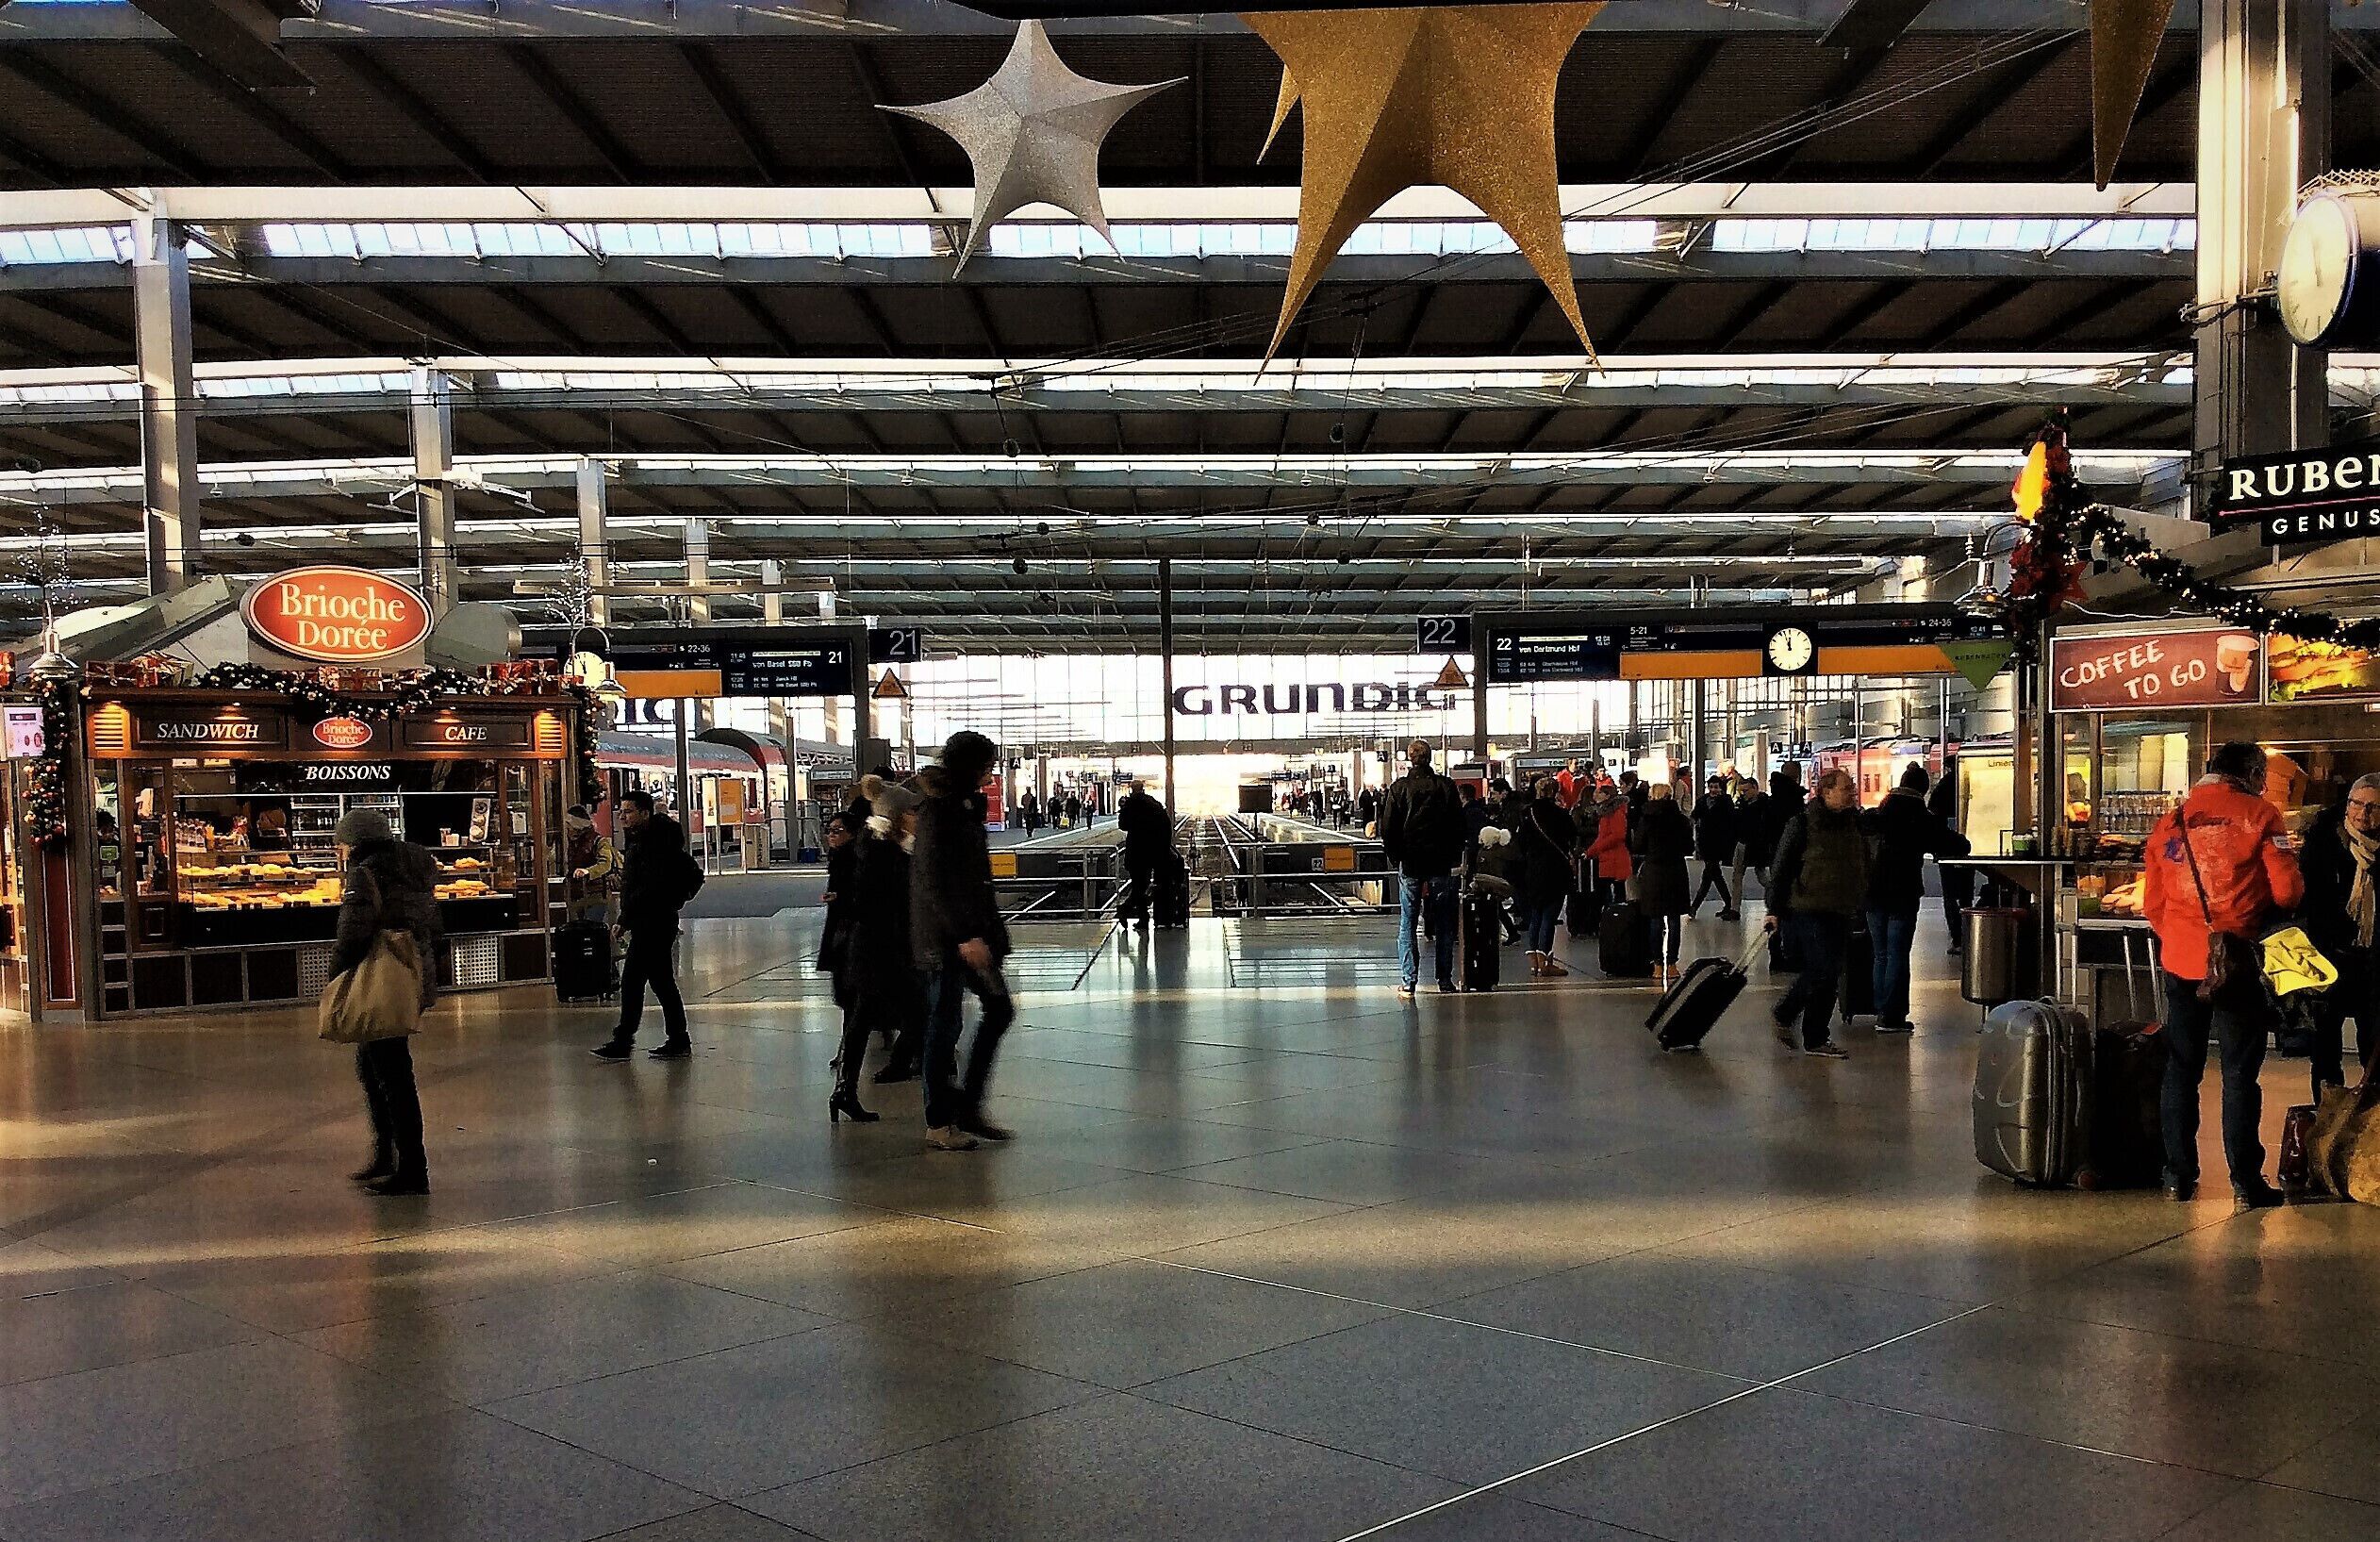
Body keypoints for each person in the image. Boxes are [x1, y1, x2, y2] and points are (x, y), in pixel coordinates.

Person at [2142, 741, 2304, 1209]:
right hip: (2237, 962)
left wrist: (2181, 937)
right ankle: (2245, 1183)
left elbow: (2154, 902)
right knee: (2239, 1074)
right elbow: (2288, 891)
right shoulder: (2261, 816)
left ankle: (2177, 1176)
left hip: (2181, 961)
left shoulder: (2171, 821)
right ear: (2253, 773)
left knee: (2181, 1069)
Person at [328, 807, 441, 1196]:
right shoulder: (414, 867)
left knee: (391, 1074)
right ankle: (387, 1155)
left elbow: (353, 933)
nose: (340, 851)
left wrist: (336, 978)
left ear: (356, 842)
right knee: (380, 1067)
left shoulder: (365, 873)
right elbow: (433, 924)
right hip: (409, 973)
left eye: (343, 843)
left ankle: (410, 1166)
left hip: (379, 978)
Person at [912, 731, 1016, 1150]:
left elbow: (973, 878)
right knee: (945, 1023)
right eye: (987, 765)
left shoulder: (963, 806)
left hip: (966, 933)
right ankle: (941, 1121)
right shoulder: (940, 810)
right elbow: (934, 882)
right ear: (971, 766)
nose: (990, 773)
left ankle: (967, 1108)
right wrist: (965, 936)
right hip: (948, 939)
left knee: (995, 1011)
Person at [832, 782, 929, 1120]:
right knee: (919, 1016)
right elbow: (877, 902)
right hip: (881, 950)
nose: (917, 817)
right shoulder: (882, 852)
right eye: (912, 811)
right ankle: (941, 1098)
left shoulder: (882, 847)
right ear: (897, 817)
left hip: (876, 950)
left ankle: (844, 1090)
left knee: (863, 1019)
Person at [1764, 768, 1865, 1059]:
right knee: (1821, 967)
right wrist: (1774, 909)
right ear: (1826, 792)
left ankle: (1816, 1038)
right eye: (1846, 788)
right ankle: (1785, 1013)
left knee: (1831, 974)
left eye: (1852, 787)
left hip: (1841, 908)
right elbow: (1781, 869)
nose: (1852, 792)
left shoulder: (1853, 823)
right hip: (1806, 908)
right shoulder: (1802, 824)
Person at [591, 788, 698, 1061]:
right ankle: (675, 1038)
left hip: (654, 921)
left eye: (628, 811)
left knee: (636, 981)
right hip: (651, 920)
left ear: (644, 813)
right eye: (621, 811)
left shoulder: (655, 845)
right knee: (659, 982)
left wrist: (625, 919)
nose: (622, 816)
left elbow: (646, 887)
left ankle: (626, 1040)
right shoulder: (643, 840)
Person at [1863, 764, 1966, 1034]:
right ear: (1923, 789)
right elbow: (1956, 845)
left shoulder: (1878, 813)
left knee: (1881, 954)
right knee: (1897, 952)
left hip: (1872, 892)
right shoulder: (1920, 818)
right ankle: (1891, 1016)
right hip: (1903, 893)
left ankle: (1880, 1008)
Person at [2302, 772, 2380, 1101]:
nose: (2363, 814)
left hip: (2374, 963)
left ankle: (2369, 1127)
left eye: (2374, 807)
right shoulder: (2323, 842)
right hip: (2329, 957)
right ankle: (2327, 1119)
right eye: (2356, 804)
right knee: (2325, 1050)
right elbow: (2309, 900)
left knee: (2373, 1049)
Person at [1378, 738, 1465, 998]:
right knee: (1443, 925)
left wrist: (1397, 858)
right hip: (1440, 864)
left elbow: (1388, 828)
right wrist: (1452, 857)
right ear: (1430, 758)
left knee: (1408, 922)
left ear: (1409, 759)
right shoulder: (1445, 787)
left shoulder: (1399, 788)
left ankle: (1409, 981)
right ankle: (1445, 980)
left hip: (1411, 864)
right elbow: (1458, 826)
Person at [1513, 777, 1579, 976]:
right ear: (1555, 792)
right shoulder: (1560, 814)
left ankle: (1534, 961)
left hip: (1533, 869)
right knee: (1549, 916)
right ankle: (1545, 962)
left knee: (1536, 915)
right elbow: (1572, 834)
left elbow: (1521, 843)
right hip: (1555, 869)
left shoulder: (1528, 814)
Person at [1631, 782, 1694, 981]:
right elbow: (1689, 848)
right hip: (1675, 871)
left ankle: (1657, 965)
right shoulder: (1681, 820)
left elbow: (1638, 846)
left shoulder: (1646, 819)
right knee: (1674, 920)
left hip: (1653, 872)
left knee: (1655, 920)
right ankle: (1673, 965)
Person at [817, 811, 860, 1010]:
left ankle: (852, 1040)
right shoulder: (838, 857)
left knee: (848, 991)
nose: (831, 835)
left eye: (837, 830)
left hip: (849, 931)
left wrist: (839, 898)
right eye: (829, 830)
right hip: (842, 929)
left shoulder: (852, 858)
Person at [1116, 777, 1172, 927]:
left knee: (1139, 885)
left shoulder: (1129, 805)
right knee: (1144, 885)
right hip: (1153, 851)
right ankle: (1140, 917)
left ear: (1131, 789)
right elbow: (1166, 824)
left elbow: (1123, 825)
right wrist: (1164, 846)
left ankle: (1129, 911)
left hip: (1136, 850)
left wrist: (1123, 810)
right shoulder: (1153, 803)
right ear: (1143, 788)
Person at [1929, 759, 1971, 954]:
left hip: (1946, 849)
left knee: (1950, 895)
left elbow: (1933, 817)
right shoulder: (1969, 781)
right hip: (1967, 845)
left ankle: (1958, 938)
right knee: (1966, 893)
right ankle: (1970, 933)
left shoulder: (1942, 787)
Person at [1689, 774, 1739, 920]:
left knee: (1709, 874)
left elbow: (1730, 823)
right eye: (1711, 787)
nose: (1713, 790)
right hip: (1705, 843)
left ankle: (1695, 906)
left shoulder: (1726, 802)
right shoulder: (1703, 801)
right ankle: (1729, 904)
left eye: (1716, 787)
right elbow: (1694, 815)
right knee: (1714, 875)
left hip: (1719, 843)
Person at [563, 804, 618, 924]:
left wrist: (588, 871)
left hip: (595, 895)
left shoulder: (599, 841)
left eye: (569, 825)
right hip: (576, 896)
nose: (567, 828)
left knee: (593, 930)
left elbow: (605, 863)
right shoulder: (571, 843)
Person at [1582, 782, 1632, 909]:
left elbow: (1616, 835)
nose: (1595, 794)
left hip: (1614, 860)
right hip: (1609, 858)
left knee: (1614, 896)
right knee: (1612, 895)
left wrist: (1593, 850)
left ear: (1607, 796)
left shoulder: (1614, 813)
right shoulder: (1607, 813)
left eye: (1599, 792)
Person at [1730, 774, 1772, 915]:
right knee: (1737, 876)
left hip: (1756, 844)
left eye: (1746, 790)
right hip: (1742, 842)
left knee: (1761, 876)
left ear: (1755, 788)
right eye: (1741, 791)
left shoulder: (1764, 805)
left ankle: (1775, 900)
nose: (1743, 794)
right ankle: (1734, 909)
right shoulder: (1742, 804)